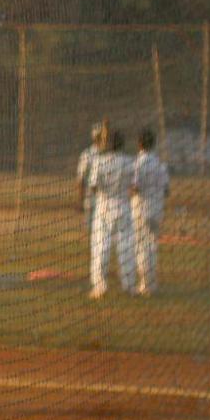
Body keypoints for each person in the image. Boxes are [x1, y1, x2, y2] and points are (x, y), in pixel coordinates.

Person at [85, 126, 135, 299]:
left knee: (100, 247)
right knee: (126, 247)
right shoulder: (130, 162)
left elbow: (92, 187)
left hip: (103, 207)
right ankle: (129, 285)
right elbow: (134, 187)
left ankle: (100, 286)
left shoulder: (99, 161)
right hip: (124, 206)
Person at [130, 129, 169, 296]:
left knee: (140, 247)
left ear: (140, 144)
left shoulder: (138, 163)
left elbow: (135, 187)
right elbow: (167, 190)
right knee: (152, 246)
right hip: (157, 210)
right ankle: (151, 283)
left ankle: (144, 284)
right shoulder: (161, 164)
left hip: (140, 210)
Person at [74, 121, 106, 242]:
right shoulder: (87, 155)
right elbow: (80, 179)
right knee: (96, 236)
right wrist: (80, 200)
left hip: (102, 201)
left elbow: (80, 179)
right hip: (92, 200)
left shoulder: (106, 154)